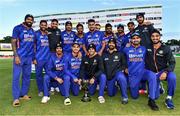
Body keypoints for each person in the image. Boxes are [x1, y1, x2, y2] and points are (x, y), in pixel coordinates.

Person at [123, 33, 159, 111]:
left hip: (143, 72)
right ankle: (141, 87)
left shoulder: (144, 48)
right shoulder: (126, 48)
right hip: (133, 74)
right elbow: (121, 59)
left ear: (140, 39)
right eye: (134, 38)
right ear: (131, 40)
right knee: (134, 96)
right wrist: (125, 67)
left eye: (137, 38)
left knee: (152, 75)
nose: (135, 39)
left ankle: (151, 100)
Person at [145, 29, 176, 109]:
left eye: (157, 36)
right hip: (152, 73)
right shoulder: (147, 47)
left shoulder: (166, 48)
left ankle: (169, 98)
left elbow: (172, 62)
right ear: (150, 37)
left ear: (160, 37)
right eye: (153, 36)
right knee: (155, 97)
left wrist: (165, 72)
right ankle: (159, 87)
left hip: (163, 71)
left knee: (172, 77)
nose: (155, 38)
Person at [11, 14, 35, 107]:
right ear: (25, 20)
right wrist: (16, 55)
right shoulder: (17, 28)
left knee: (26, 76)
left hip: (28, 58)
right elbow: (13, 42)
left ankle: (23, 94)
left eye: (31, 20)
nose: (30, 21)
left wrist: (33, 57)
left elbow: (33, 45)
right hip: (19, 57)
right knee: (16, 77)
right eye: (28, 19)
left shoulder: (32, 31)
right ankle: (16, 98)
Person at [102, 38, 128, 104]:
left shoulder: (120, 53)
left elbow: (124, 64)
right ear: (108, 44)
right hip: (108, 74)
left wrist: (119, 70)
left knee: (121, 78)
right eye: (110, 43)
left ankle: (125, 97)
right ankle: (115, 86)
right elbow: (101, 66)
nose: (111, 44)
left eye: (113, 43)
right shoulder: (104, 54)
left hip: (117, 73)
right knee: (110, 94)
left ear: (115, 44)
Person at [33, 20, 50, 97]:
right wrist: (34, 58)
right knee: (39, 75)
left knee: (48, 74)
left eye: (45, 25)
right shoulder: (36, 34)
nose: (43, 26)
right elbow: (33, 46)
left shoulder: (48, 34)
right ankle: (40, 90)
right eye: (42, 25)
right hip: (39, 58)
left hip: (47, 58)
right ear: (40, 25)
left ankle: (48, 89)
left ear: (46, 26)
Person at [47, 19, 61, 93]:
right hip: (49, 52)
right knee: (51, 69)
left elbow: (61, 42)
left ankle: (56, 85)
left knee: (57, 69)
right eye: (53, 23)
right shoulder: (47, 30)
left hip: (57, 53)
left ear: (57, 24)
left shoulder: (59, 31)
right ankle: (51, 86)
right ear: (51, 24)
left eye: (56, 24)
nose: (54, 25)